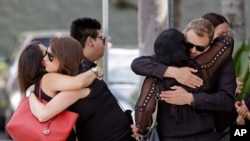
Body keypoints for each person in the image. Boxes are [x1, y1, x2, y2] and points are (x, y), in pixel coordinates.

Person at [27, 17, 135, 141]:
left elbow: (44, 114)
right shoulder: (79, 79)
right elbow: (45, 114)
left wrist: (30, 94)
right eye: (46, 55)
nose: (45, 60)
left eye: (50, 56)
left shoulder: (81, 80)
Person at [131, 18, 236, 141]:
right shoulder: (167, 60)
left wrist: (190, 98)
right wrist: (173, 72)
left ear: (211, 45)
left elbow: (227, 100)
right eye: (189, 45)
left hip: (207, 134)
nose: (193, 51)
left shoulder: (220, 61)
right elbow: (137, 64)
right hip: (169, 136)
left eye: (200, 48)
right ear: (183, 37)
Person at [18, 39, 103, 141]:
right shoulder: (49, 79)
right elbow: (79, 82)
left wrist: (30, 93)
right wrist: (96, 71)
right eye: (47, 53)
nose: (51, 55)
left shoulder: (37, 85)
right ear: (40, 62)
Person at [202, 12, 243, 95]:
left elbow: (225, 99)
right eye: (221, 34)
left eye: (226, 34)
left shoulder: (225, 58)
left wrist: (231, 89)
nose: (226, 38)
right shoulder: (193, 52)